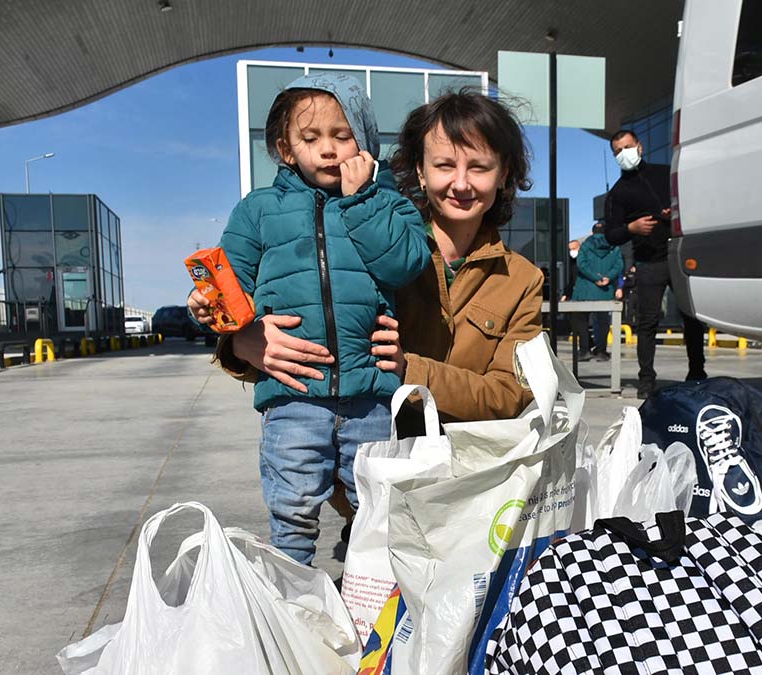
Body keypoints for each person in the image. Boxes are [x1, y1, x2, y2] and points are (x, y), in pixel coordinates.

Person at [188, 72, 429, 565]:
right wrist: (211, 311)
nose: (327, 150)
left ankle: (376, 610)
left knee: (378, 512)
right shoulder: (259, 210)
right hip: (292, 395)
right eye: (310, 137)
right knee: (292, 510)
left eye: (343, 136)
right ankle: (292, 604)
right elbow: (231, 288)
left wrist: (363, 199)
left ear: (365, 143)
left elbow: (406, 264)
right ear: (284, 147)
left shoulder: (389, 204)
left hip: (371, 396)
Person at [210, 89, 543, 430]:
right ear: (421, 171)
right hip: (365, 465)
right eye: (444, 165)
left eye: (479, 167)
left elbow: (512, 393)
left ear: (503, 174)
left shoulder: (522, 279)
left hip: (473, 472)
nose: (460, 184)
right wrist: (239, 342)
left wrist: (409, 370)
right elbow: (310, 325)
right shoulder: (369, 237)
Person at [603, 129, 706, 398]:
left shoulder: (664, 174)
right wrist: (632, 227)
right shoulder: (618, 192)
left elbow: (691, 200)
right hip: (649, 262)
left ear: (639, 146)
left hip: (678, 254)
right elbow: (611, 234)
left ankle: (697, 372)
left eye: (627, 146)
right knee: (647, 323)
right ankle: (646, 379)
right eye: (617, 151)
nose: (623, 153)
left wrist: (672, 213)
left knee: (691, 318)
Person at [572, 222, 623, 361]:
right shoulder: (615, 247)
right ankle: (601, 351)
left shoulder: (586, 245)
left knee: (580, 319)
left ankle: (584, 349)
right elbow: (619, 265)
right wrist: (607, 278)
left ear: (592, 232)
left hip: (585, 289)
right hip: (605, 290)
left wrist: (595, 277)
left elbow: (581, 264)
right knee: (603, 321)